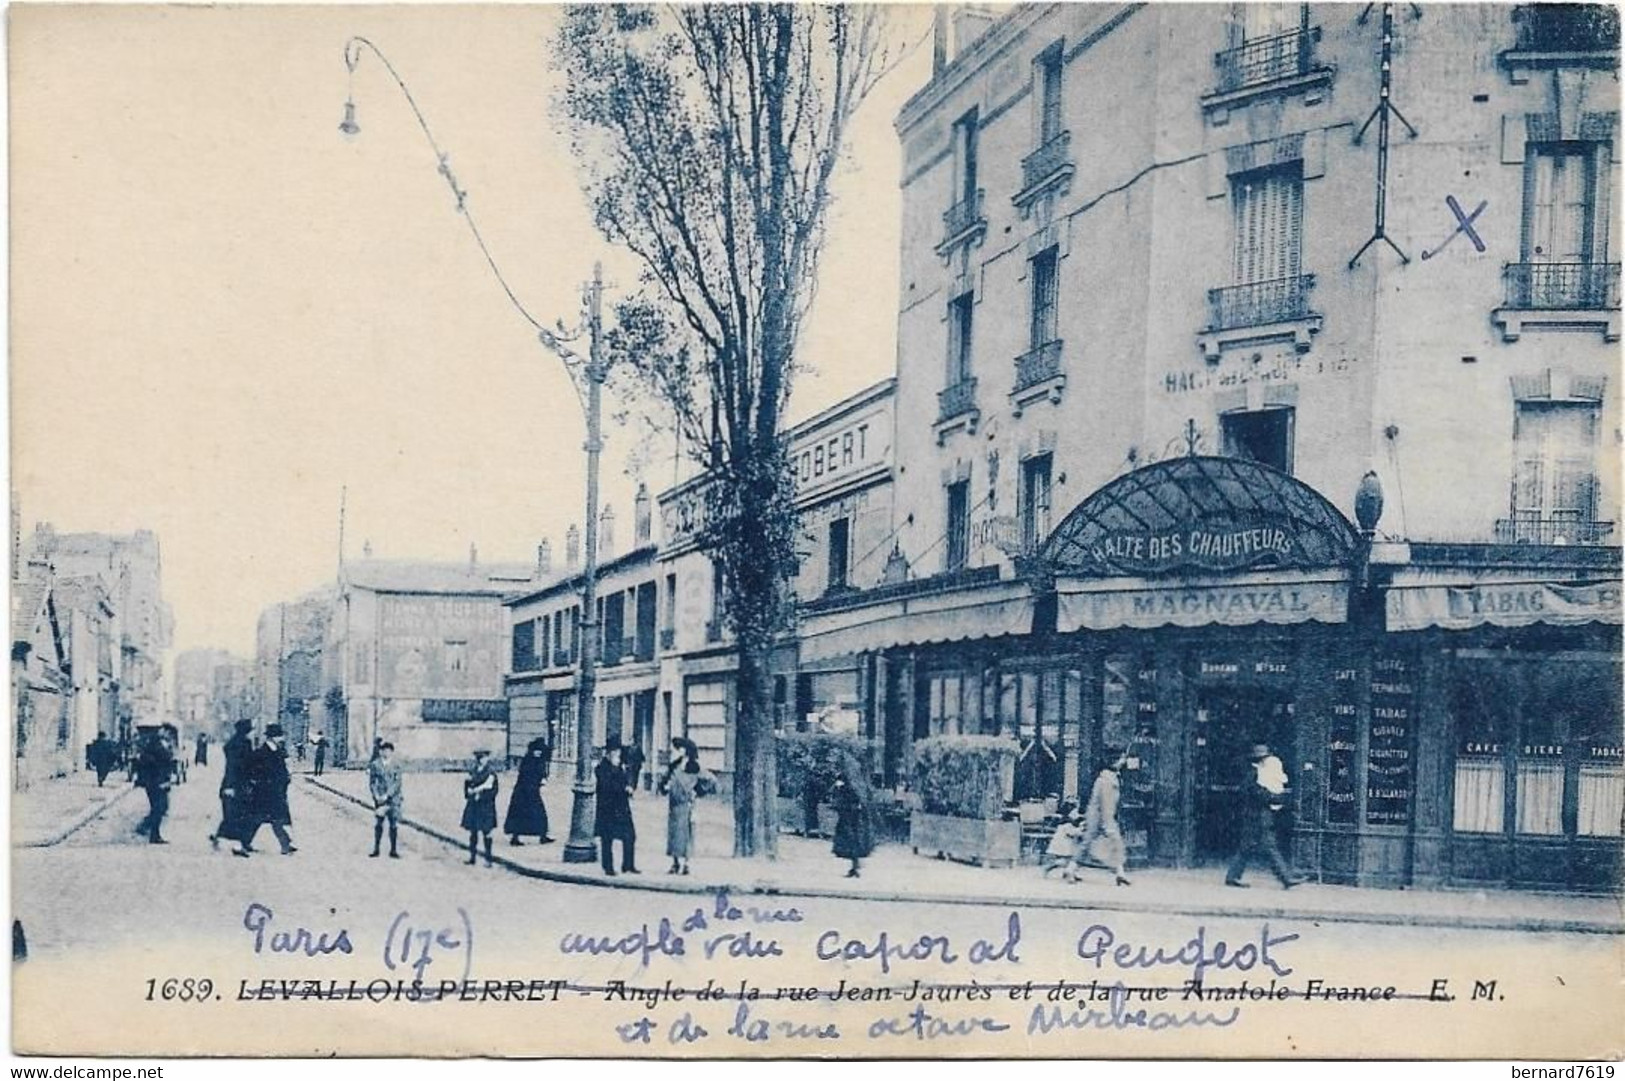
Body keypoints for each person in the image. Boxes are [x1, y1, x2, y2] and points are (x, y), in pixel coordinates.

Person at [1226, 742, 1304, 889]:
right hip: (1258, 817)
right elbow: (1261, 795)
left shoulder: (1253, 773)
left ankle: (1232, 877)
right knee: (1269, 847)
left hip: (1254, 816)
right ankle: (1285, 878)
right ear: (1261, 760)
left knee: (1246, 848)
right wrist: (1281, 799)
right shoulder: (1255, 775)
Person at [235, 725, 297, 857]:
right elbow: (249, 769)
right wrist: (255, 782)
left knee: (275, 819)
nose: (282, 738)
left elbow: (283, 769)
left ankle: (285, 844)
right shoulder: (261, 752)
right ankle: (243, 844)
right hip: (263, 792)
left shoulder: (278, 750)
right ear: (272, 737)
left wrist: (286, 779)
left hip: (275, 791)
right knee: (257, 819)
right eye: (279, 735)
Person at [1077, 746, 1132, 887]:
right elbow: (1106, 804)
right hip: (1101, 817)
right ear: (1115, 762)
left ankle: (1120, 873)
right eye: (1121, 759)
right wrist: (1108, 824)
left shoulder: (1108, 777)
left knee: (1089, 844)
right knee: (1113, 843)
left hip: (1098, 817)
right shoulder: (1108, 780)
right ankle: (1120, 873)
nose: (1123, 761)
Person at [658, 737, 711, 875]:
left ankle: (686, 863)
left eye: (681, 748)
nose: (679, 750)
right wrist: (665, 786)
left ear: (687, 750)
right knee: (674, 834)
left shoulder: (695, 766)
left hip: (687, 805)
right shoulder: (674, 765)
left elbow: (710, 780)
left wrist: (698, 791)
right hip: (674, 805)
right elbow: (665, 780)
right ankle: (675, 863)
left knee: (687, 834)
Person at [594, 739, 637, 876]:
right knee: (607, 839)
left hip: (621, 809)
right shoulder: (602, 768)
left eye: (618, 752)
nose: (618, 755)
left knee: (630, 836)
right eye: (615, 752)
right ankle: (608, 867)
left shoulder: (618, 767)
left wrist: (628, 787)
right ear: (609, 753)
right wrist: (624, 789)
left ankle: (628, 865)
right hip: (608, 809)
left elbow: (623, 781)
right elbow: (607, 788)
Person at [503, 739, 553, 846]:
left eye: (540, 751)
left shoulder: (538, 761)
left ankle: (542, 836)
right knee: (520, 815)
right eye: (536, 750)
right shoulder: (528, 760)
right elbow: (526, 776)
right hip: (523, 792)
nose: (538, 753)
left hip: (532, 791)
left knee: (539, 814)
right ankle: (515, 837)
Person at [829, 757, 873, 879]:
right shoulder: (854, 780)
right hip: (849, 814)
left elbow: (852, 796)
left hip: (850, 815)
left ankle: (855, 865)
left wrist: (840, 788)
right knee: (851, 840)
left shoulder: (849, 781)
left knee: (850, 839)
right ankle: (854, 866)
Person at [212, 719, 253, 850]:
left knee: (236, 814)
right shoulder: (242, 744)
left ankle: (238, 841)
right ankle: (239, 844)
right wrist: (230, 786)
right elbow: (234, 767)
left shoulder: (234, 742)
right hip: (237, 784)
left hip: (236, 783)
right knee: (238, 814)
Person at [132, 728, 174, 844]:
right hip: (157, 782)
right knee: (159, 808)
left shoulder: (153, 746)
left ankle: (149, 830)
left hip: (156, 782)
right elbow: (162, 762)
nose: (163, 732)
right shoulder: (156, 747)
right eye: (161, 730)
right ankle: (150, 832)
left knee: (160, 807)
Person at [461, 749, 500, 867]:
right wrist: (468, 792)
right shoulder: (473, 771)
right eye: (479, 758)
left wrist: (481, 795)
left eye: (483, 758)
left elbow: (494, 790)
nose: (481, 760)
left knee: (486, 832)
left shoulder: (490, 773)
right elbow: (467, 785)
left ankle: (488, 859)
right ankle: (472, 857)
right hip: (473, 805)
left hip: (486, 807)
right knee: (473, 832)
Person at [368, 741, 403, 859]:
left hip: (393, 799)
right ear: (381, 751)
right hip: (380, 799)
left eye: (389, 750)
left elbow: (397, 783)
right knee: (379, 823)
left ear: (392, 752)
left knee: (393, 823)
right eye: (384, 750)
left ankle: (393, 850)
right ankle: (376, 848)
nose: (386, 753)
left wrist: (388, 795)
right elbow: (372, 783)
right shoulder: (375, 765)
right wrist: (376, 795)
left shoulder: (396, 765)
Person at [1041, 802, 1085, 879]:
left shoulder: (1069, 823)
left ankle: (1069, 873)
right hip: (1063, 844)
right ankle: (1049, 867)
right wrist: (1081, 830)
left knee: (1071, 860)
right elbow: (1071, 833)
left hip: (1067, 844)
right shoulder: (1066, 824)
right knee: (1065, 861)